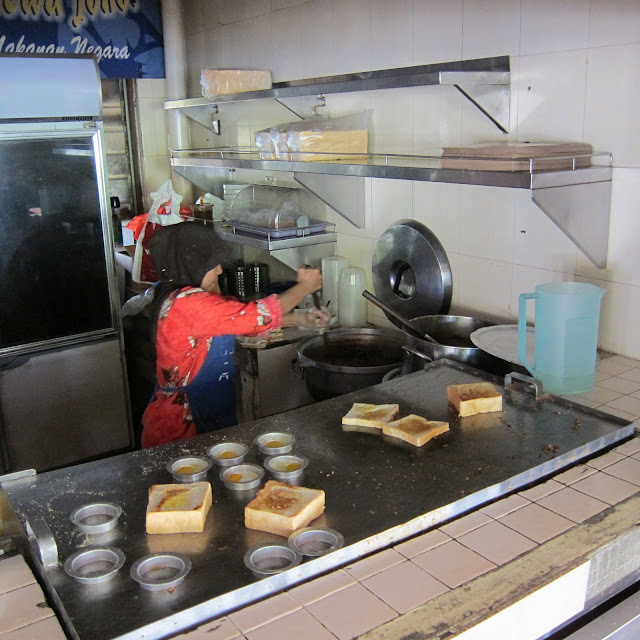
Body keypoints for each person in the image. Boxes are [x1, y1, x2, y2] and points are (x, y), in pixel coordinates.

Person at [140, 222, 329, 448]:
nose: (220, 270)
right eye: (213, 264)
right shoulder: (187, 304)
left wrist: (300, 318)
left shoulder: (189, 297)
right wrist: (303, 288)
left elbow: (237, 316)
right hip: (179, 430)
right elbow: (257, 316)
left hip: (209, 417)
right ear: (194, 265)